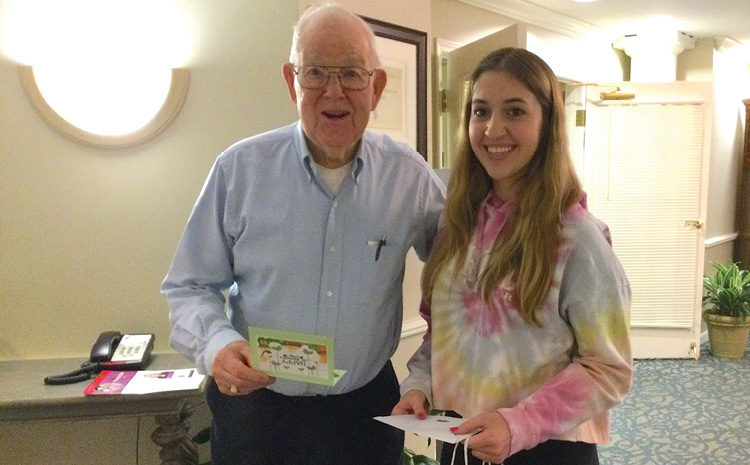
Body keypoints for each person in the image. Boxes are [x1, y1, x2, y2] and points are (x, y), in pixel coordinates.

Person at [161, 3, 445, 465]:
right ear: (292, 81)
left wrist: (426, 373)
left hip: (365, 410)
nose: (334, 91)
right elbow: (189, 286)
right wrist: (215, 345)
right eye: (315, 72)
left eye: (352, 73)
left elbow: (467, 286)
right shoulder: (239, 170)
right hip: (256, 410)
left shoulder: (409, 179)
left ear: (376, 87)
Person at [391, 47, 632, 465]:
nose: (493, 129)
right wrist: (420, 385)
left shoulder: (578, 240)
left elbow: (608, 369)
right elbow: (440, 334)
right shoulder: (457, 226)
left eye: (515, 112)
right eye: (481, 112)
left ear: (547, 123)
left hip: (545, 448)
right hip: (460, 441)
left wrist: (519, 424)